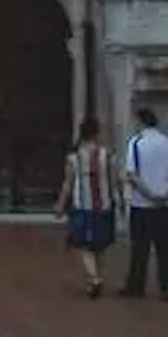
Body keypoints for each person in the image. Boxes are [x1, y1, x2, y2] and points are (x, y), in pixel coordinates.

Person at [122, 102, 168, 300]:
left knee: (139, 247)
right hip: (166, 204)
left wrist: (148, 193)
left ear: (140, 123)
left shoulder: (136, 143)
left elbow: (132, 174)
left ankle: (136, 285)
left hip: (142, 203)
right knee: (166, 248)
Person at [54, 112, 121, 296]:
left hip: (82, 206)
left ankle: (94, 277)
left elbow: (67, 183)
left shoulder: (74, 158)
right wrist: (121, 200)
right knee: (100, 245)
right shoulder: (108, 155)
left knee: (83, 244)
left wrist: (60, 204)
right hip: (104, 205)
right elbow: (116, 180)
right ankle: (97, 276)